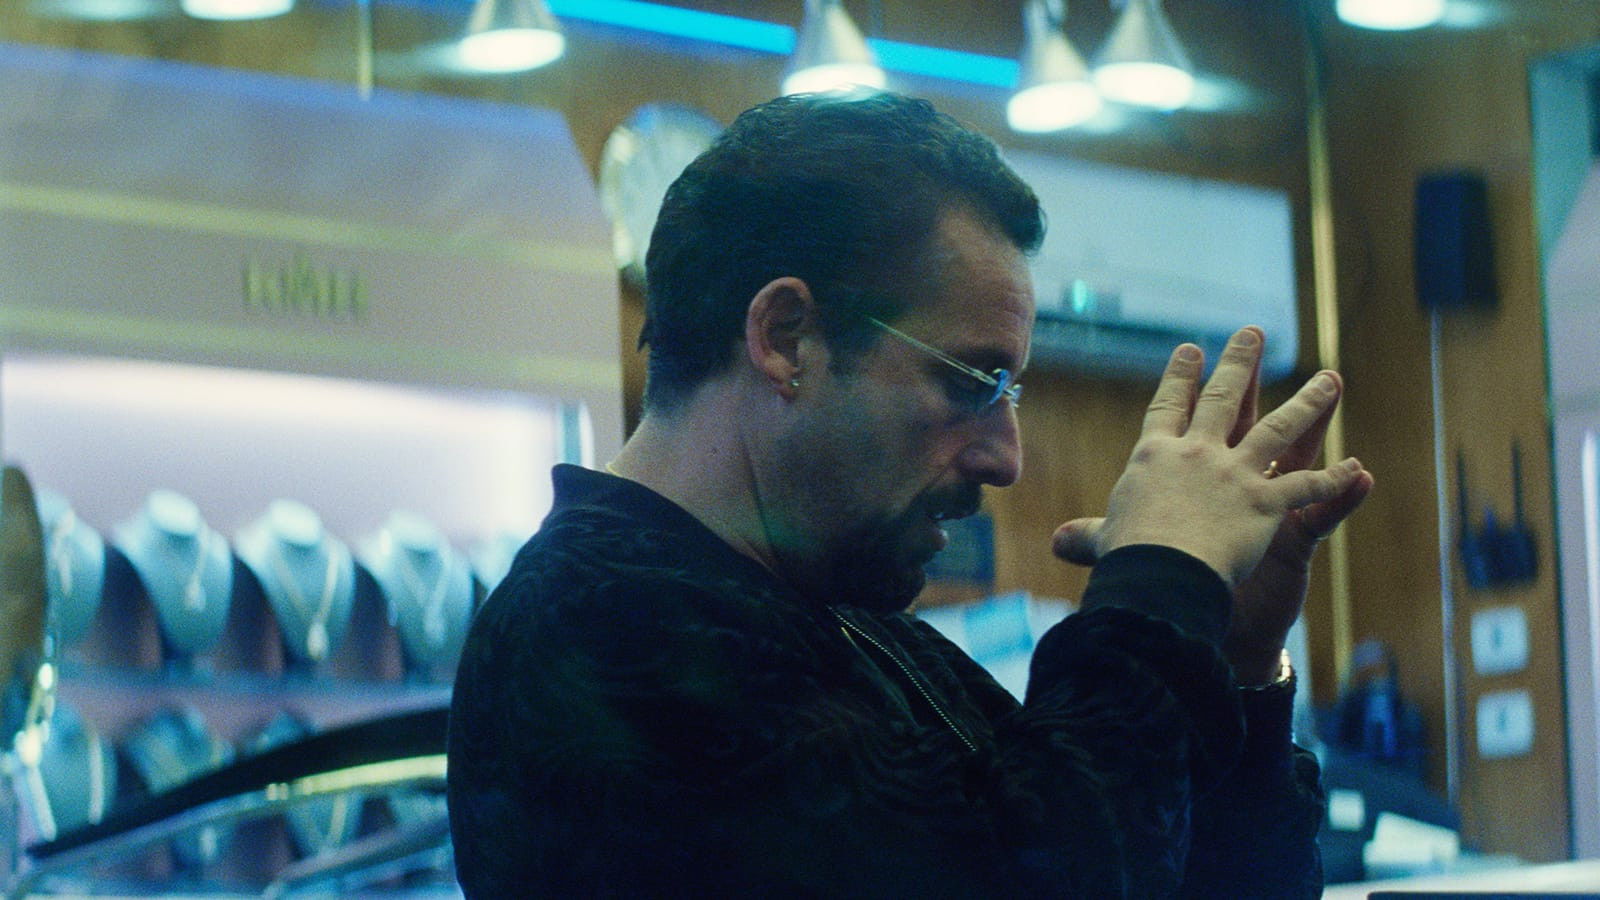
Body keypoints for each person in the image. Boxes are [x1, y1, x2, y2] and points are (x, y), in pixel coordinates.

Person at [447, 90, 1374, 898]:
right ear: (787, 337)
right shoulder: (596, 627)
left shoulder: (846, 621)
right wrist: (1158, 589)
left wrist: (1233, 657)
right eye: (973, 382)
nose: (1007, 458)